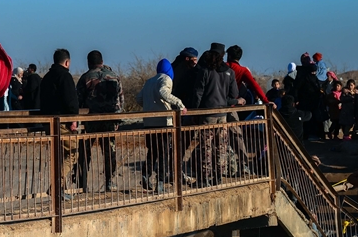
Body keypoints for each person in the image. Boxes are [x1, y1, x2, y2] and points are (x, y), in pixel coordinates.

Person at [189, 43, 242, 186]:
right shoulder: (229, 72)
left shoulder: (205, 71)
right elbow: (235, 94)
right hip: (223, 114)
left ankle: (204, 178)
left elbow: (198, 93)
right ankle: (218, 177)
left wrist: (194, 111)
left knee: (206, 147)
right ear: (223, 55)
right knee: (221, 147)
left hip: (207, 114)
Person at [75, 50, 124, 193]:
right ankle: (110, 181)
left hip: (90, 121)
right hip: (109, 120)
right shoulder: (115, 77)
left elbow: (78, 101)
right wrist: (117, 120)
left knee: (85, 151)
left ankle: (82, 184)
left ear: (89, 62)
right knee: (110, 152)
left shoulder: (85, 77)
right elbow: (121, 101)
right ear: (102, 61)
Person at [136, 58, 186, 193]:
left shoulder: (149, 82)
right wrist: (179, 104)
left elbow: (139, 98)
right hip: (164, 123)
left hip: (149, 123)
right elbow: (163, 92)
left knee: (152, 151)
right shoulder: (166, 79)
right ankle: (160, 182)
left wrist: (149, 107)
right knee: (164, 153)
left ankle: (146, 174)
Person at [39, 48, 79, 200]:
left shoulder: (47, 78)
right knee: (73, 154)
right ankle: (57, 186)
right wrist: (73, 119)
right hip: (63, 123)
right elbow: (71, 101)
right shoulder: (65, 77)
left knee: (59, 156)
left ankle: (60, 188)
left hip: (48, 122)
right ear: (67, 62)